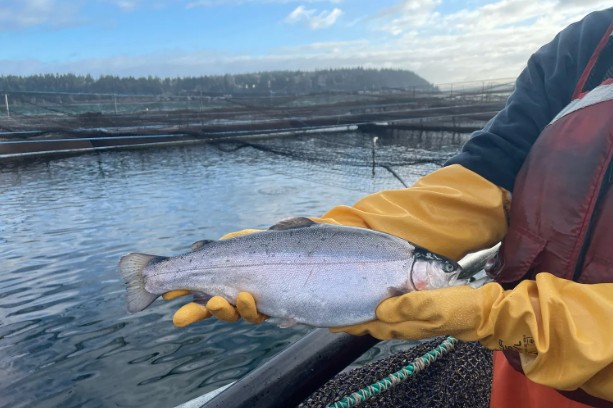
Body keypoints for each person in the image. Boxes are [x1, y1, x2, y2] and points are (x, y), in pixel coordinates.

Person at [163, 7, 613, 408]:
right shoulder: (588, 45)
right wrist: (337, 232)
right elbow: (484, 175)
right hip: (519, 377)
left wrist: (506, 317)